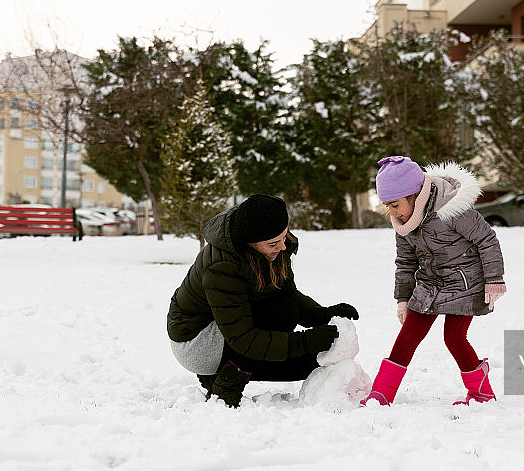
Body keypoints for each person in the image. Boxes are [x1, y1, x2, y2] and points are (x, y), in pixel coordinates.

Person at [167, 194, 359, 408]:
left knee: (311, 362)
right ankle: (226, 387)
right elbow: (243, 338)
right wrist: (306, 340)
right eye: (274, 243)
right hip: (197, 342)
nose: (283, 246)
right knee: (282, 314)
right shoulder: (223, 266)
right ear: (249, 242)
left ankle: (223, 372)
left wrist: (323, 315)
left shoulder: (273, 242)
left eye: (284, 237)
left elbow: (288, 294)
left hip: (229, 330)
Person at [360, 156, 506, 407]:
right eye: (387, 206)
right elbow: (405, 263)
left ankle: (482, 392)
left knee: (454, 337)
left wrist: (494, 279)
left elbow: (487, 240)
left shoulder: (452, 209)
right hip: (430, 285)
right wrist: (404, 299)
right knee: (408, 336)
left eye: (394, 204)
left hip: (465, 283)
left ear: (414, 194)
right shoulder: (404, 224)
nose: (392, 213)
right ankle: (382, 394)